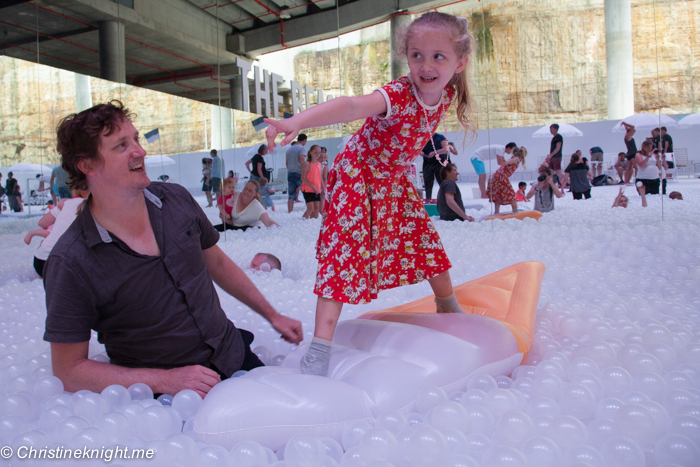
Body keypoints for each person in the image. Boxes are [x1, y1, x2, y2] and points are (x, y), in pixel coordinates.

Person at [264, 12, 475, 376]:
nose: (425, 66)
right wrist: (296, 122)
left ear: (460, 62)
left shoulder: (448, 93)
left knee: (424, 240)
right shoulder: (396, 94)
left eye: (438, 56)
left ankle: (447, 305)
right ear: (405, 56)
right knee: (344, 255)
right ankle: (319, 348)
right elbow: (350, 106)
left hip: (392, 178)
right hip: (358, 175)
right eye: (416, 55)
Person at [44, 101, 302, 397]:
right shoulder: (72, 261)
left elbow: (217, 264)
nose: (139, 151)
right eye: (121, 145)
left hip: (232, 355)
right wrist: (164, 381)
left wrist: (272, 314)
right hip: (166, 400)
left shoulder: (175, 200)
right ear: (87, 165)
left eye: (137, 139)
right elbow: (68, 370)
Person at [28, 188, 90, 277]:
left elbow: (42, 223)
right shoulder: (93, 206)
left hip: (40, 261)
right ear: (83, 192)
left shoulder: (66, 204)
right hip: (62, 266)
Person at [215, 180, 280, 231]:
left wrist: (280, 230)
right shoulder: (234, 195)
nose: (246, 192)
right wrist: (223, 217)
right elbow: (221, 207)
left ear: (256, 193)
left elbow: (269, 221)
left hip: (249, 230)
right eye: (245, 188)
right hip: (232, 227)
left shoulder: (257, 207)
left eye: (250, 191)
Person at [487, 147, 528, 214]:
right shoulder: (517, 159)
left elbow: (510, 161)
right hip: (502, 176)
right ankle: (515, 211)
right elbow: (512, 161)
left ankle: (496, 212)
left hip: (496, 175)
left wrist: (505, 162)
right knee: (511, 194)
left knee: (498, 194)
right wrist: (505, 162)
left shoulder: (514, 158)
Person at [421, 132, 457, 199]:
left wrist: (435, 152)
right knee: (427, 181)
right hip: (428, 161)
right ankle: (428, 198)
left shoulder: (440, 137)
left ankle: (447, 197)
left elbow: (446, 149)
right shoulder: (422, 137)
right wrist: (421, 152)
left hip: (440, 161)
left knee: (441, 180)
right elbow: (417, 148)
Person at [285, 134, 308, 213]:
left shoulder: (289, 149)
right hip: (299, 172)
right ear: (304, 140)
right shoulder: (302, 148)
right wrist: (305, 170)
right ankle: (309, 209)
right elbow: (301, 159)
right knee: (306, 191)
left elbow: (287, 163)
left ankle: (290, 211)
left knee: (291, 194)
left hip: (290, 172)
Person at [300, 145, 323, 219]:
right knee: (310, 208)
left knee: (316, 208)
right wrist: (313, 186)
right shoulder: (307, 164)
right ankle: (302, 223)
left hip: (317, 189)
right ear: (310, 152)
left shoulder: (319, 164)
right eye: (315, 153)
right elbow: (303, 177)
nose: (317, 155)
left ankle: (312, 224)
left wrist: (323, 188)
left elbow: (319, 178)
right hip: (308, 189)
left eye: (319, 153)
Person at [320, 147, 330, 214]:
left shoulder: (324, 165)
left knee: (322, 198)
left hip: (322, 183)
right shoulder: (323, 165)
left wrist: (324, 187)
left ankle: (321, 211)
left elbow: (325, 177)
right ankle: (321, 211)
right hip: (319, 183)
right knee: (321, 198)